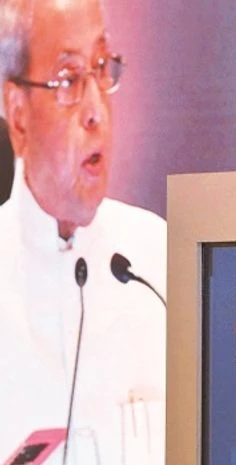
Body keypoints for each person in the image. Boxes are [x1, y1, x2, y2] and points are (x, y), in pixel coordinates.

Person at [0, 0, 166, 463]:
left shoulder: (158, 265)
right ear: (18, 116)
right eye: (69, 80)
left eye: (101, 68)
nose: (96, 111)